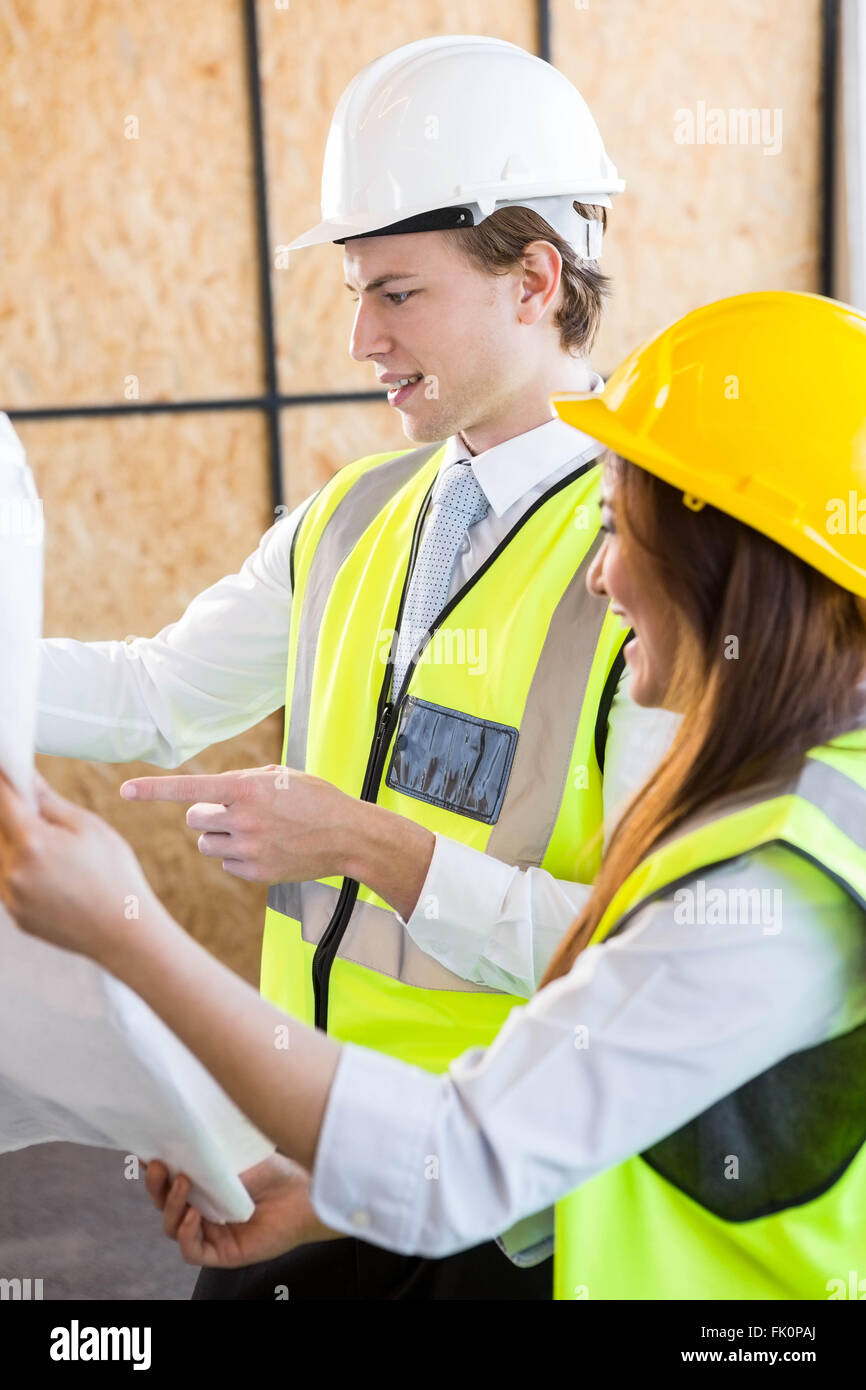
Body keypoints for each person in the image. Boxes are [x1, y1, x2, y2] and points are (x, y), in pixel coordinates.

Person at [4, 289, 866, 1300]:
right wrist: (329, 1193)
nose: (599, 577)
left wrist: (126, 928)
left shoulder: (781, 878)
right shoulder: (786, 797)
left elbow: (467, 1155)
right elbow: (644, 1109)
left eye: (618, 530)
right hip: (381, 1169)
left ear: (728, 566)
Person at [30, 35, 678, 1299]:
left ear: (533, 278)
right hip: (302, 1161)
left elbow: (644, 971)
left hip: (503, 1214)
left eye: (396, 292)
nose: (358, 337)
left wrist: (367, 844)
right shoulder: (349, 519)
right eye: (353, 291)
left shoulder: (658, 562)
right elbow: (155, 694)